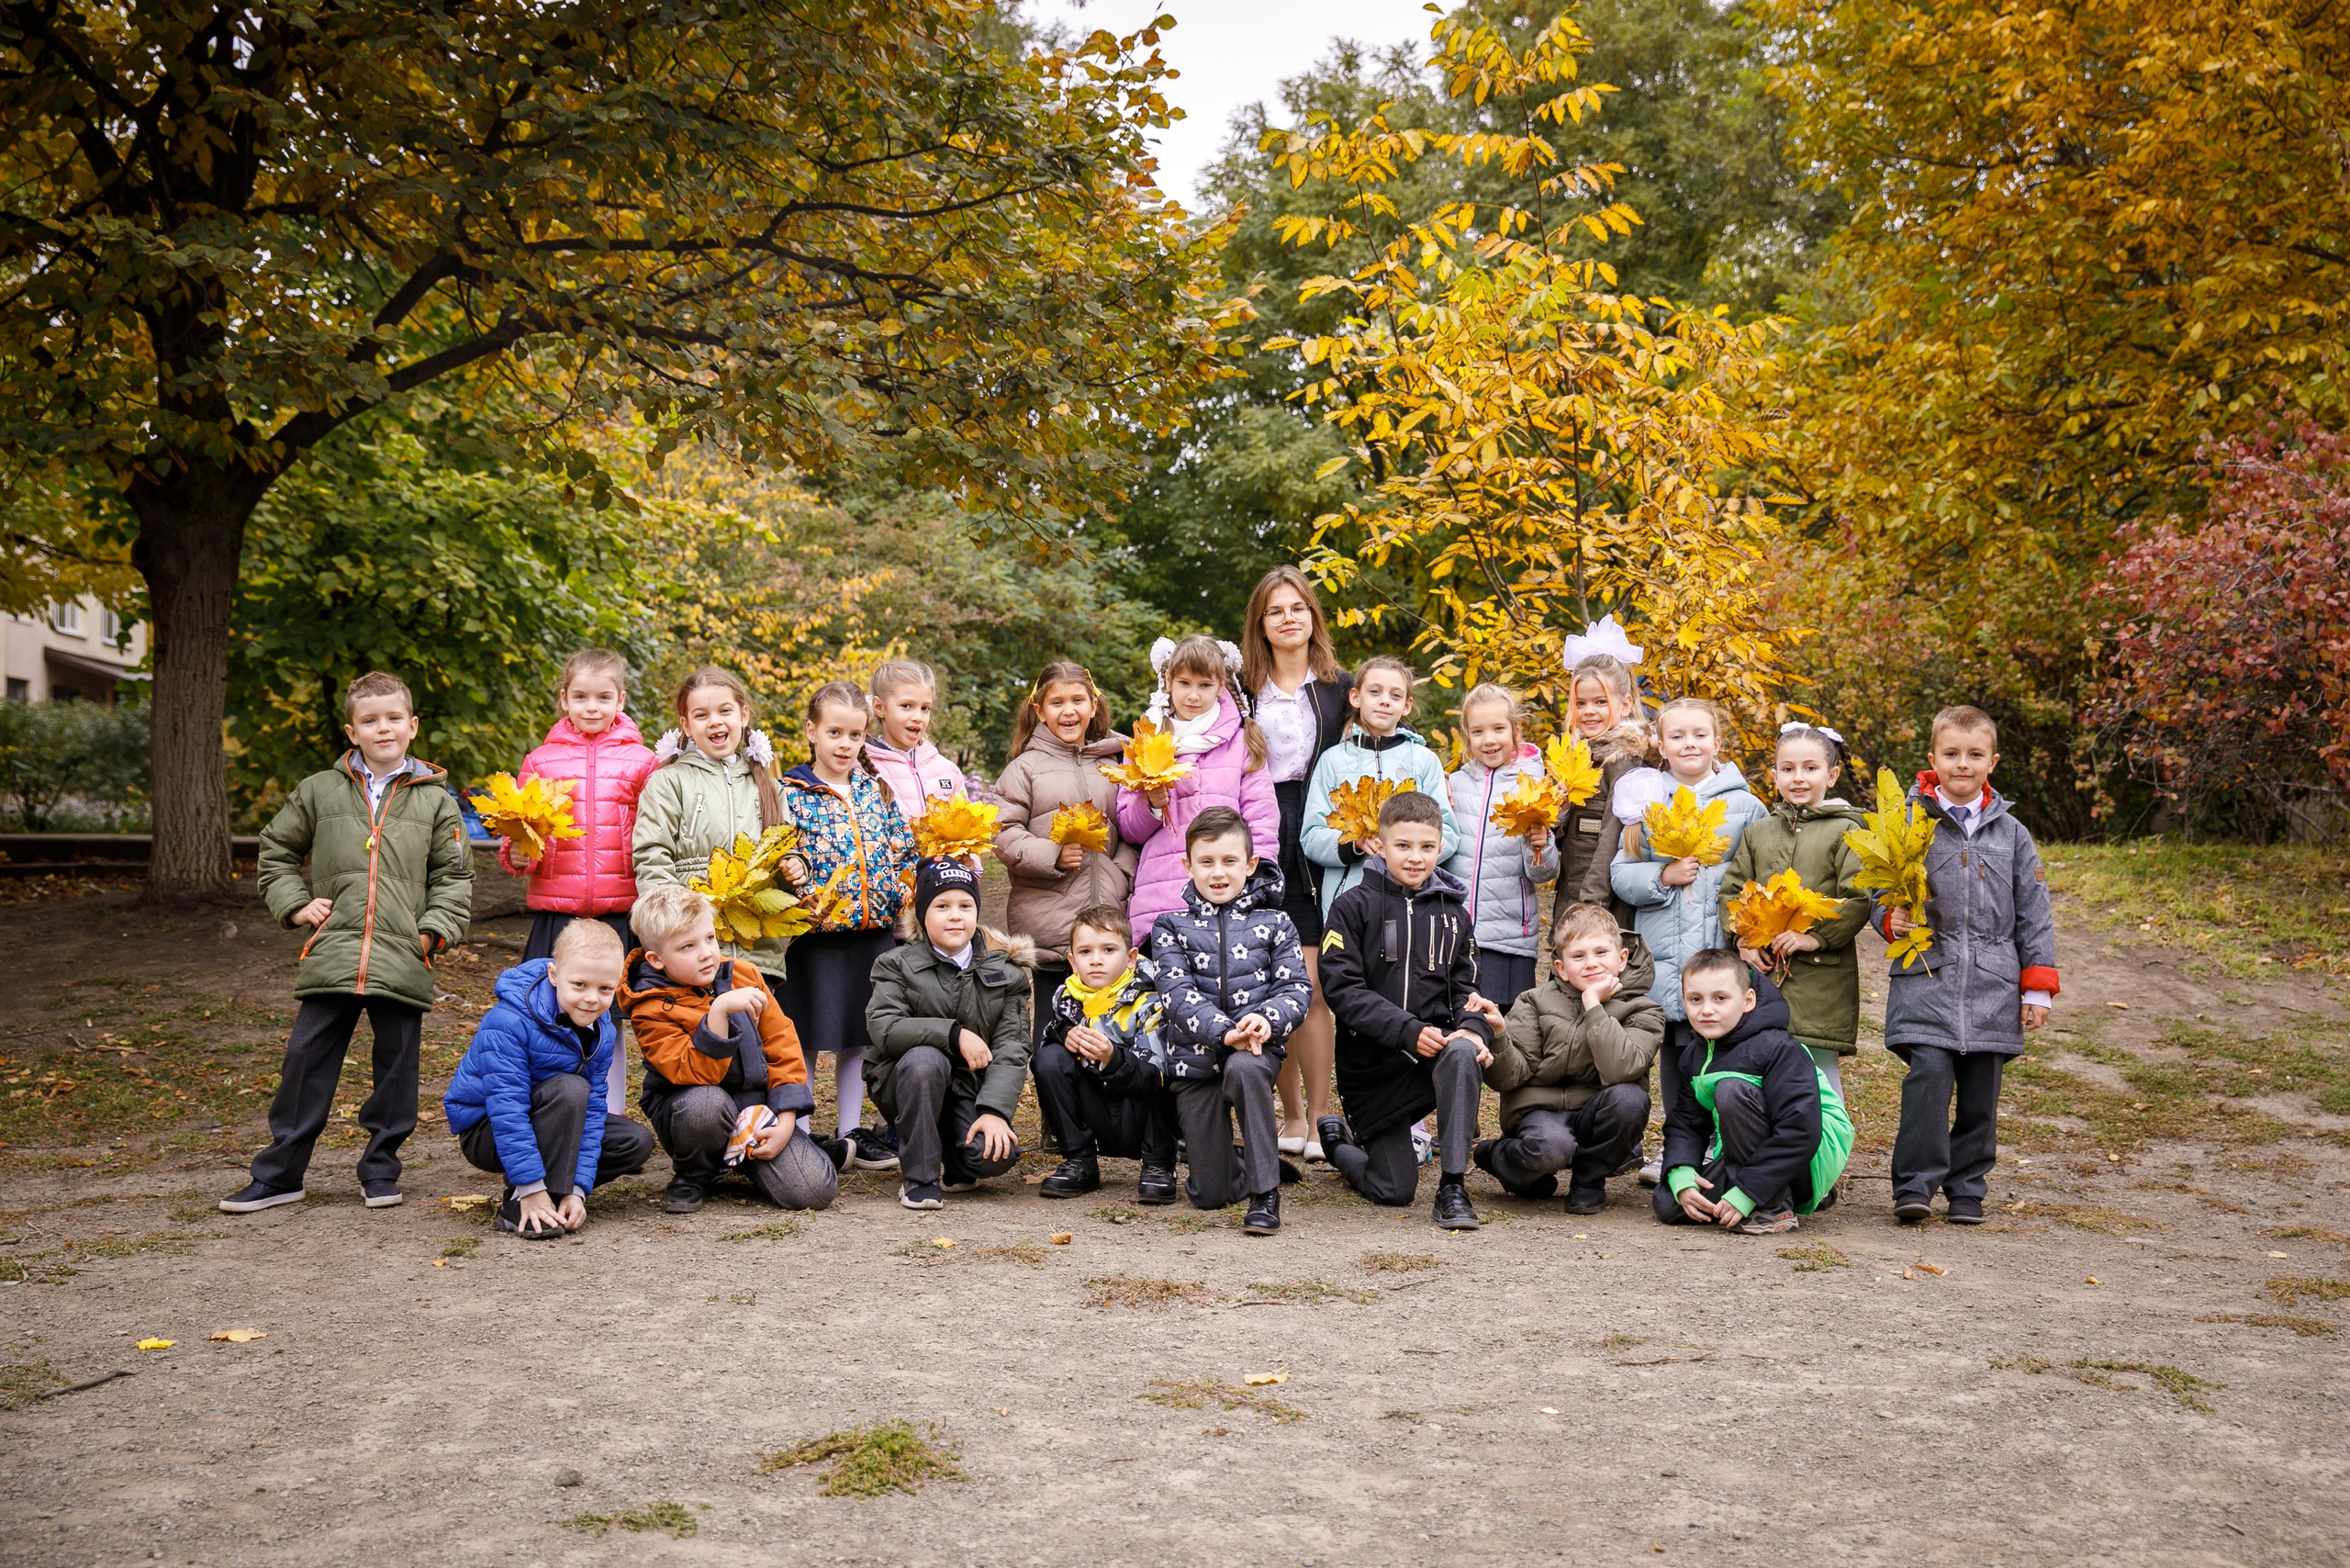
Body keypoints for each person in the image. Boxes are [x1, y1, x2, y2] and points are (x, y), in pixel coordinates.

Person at [221, 671, 473, 1214]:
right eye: (370, 720)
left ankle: (381, 1169)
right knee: (305, 1060)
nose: (383, 728)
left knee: (397, 1068)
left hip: (403, 953)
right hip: (334, 950)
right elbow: (276, 851)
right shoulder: (319, 790)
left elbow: (453, 877)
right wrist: (295, 904)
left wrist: (432, 932)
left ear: (412, 726)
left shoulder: (436, 801)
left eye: (393, 718)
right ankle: (280, 1174)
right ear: (352, 731)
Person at [1884, 705, 2059, 1226]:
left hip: (1993, 985)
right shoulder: (1907, 824)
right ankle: (1914, 1186)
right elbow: (1879, 891)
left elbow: (2034, 912)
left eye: (1975, 755)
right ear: (1933, 758)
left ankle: (1966, 1190)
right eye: (1952, 754)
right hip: (1926, 977)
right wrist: (1890, 918)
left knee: (1981, 1097)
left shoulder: (2013, 835)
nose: (1963, 764)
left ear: (1992, 761)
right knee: (1929, 1081)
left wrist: (2036, 988)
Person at [1313, 790, 1494, 1231]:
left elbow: (1467, 988)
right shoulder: (1351, 906)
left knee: (1462, 1051)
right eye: (1403, 846)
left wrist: (1473, 1028)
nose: (1416, 857)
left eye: (1427, 847)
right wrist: (1406, 1030)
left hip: (1430, 1059)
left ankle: (1453, 1186)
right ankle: (1340, 1145)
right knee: (1393, 1188)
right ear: (1380, 844)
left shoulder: (1454, 913)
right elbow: (1342, 990)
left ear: (1440, 847)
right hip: (1371, 1069)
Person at [1609, 694, 1767, 1184]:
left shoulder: (1746, 805)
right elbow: (1621, 873)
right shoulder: (1647, 804)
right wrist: (1662, 876)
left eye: (1699, 734)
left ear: (1717, 742)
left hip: (1719, 955)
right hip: (1667, 959)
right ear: (1661, 746)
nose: (1689, 743)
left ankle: (1724, 1144)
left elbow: (1762, 876)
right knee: (1677, 1057)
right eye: (1677, 736)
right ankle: (1677, 1147)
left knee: (1724, 1057)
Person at [495, 647, 659, 1114]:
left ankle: (611, 1115)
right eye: (581, 697)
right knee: (551, 1012)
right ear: (564, 699)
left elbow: (656, 829)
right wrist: (519, 855)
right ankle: (558, 1110)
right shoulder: (541, 761)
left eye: (603, 697)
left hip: (619, 910)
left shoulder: (643, 762)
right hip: (559, 913)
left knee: (612, 1016)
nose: (592, 706)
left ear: (620, 700)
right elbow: (519, 833)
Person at [621, 884, 836, 1215]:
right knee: (707, 1103)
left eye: (710, 938)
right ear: (656, 959)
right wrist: (718, 1012)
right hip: (693, 1115)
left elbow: (782, 1043)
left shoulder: (745, 974)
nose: (706, 953)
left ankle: (754, 1157)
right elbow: (696, 1074)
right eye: (688, 946)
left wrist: (785, 1120)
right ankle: (694, 1173)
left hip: (754, 1111)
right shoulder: (649, 1008)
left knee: (813, 1191)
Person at [775, 680, 920, 1173]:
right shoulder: (790, 792)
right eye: (834, 732)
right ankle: (798, 1130)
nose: (845, 744)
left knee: (861, 1035)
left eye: (855, 735)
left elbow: (903, 848)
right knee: (806, 1034)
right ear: (811, 731)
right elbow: (778, 851)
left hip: (873, 933)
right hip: (815, 936)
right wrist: (794, 880)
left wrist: (901, 893)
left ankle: (851, 1130)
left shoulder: (875, 788)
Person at [1149, 807, 1313, 1235]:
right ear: (1187, 866)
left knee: (1244, 1067)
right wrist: (1225, 1033)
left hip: (1255, 1050)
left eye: (1229, 861)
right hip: (1195, 1060)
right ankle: (1244, 1161)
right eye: (1206, 862)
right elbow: (1176, 993)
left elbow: (1296, 988)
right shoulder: (1170, 926)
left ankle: (1264, 1193)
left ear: (1250, 864)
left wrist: (1265, 1019)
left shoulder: (1276, 923)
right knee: (1209, 1193)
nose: (1218, 872)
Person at [1240, 566, 1355, 1160]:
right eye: (1275, 611)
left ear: (1313, 616)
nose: (1288, 619)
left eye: (1298, 608)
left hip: (1318, 836)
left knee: (1311, 987)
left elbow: (1389, 742)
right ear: (1260, 624)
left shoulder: (1342, 687)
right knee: (1267, 982)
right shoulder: (1240, 687)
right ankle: (1286, 1114)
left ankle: (1319, 1116)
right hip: (1257, 832)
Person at [442, 922, 655, 1238]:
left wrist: (578, 1189)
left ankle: (557, 1197)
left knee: (634, 1141)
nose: (592, 999)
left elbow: (593, 1112)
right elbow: (507, 1109)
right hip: (489, 1130)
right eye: (579, 985)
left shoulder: (603, 1030)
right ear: (554, 976)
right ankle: (524, 1200)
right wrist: (530, 1186)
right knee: (571, 1088)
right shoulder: (509, 1022)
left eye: (605, 989)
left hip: (558, 1119)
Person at [865, 858, 1034, 1210]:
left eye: (965, 906)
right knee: (926, 1060)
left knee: (993, 1156)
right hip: (907, 1083)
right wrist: (954, 1035)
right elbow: (885, 1027)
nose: (955, 916)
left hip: (968, 1089)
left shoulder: (1007, 973)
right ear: (923, 915)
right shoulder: (895, 964)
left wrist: (995, 1111)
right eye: (942, 906)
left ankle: (956, 1160)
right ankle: (920, 1179)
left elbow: (1012, 1047)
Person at [1476, 902, 1665, 1214]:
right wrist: (1498, 1036)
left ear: (1622, 959)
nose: (1591, 963)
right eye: (1578, 956)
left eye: (1601, 952)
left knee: (1630, 1099)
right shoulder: (1533, 1002)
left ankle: (1589, 1180)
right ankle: (1498, 1156)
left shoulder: (1644, 1010)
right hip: (1539, 1110)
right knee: (1551, 1149)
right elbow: (1508, 1078)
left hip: (1598, 1111)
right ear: (1561, 967)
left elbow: (1621, 1069)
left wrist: (1593, 1005)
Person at [991, 661, 1138, 1055]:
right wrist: (1052, 854)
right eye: (1057, 703)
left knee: (1110, 1029)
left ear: (1094, 705)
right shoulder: (1024, 768)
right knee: (1053, 1033)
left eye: (1077, 700)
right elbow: (1002, 832)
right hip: (1052, 925)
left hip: (1107, 919)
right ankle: (1053, 1094)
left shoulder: (1116, 764)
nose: (1068, 711)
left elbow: (1130, 829)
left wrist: (1121, 873)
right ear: (1040, 711)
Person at [1718, 722, 1871, 1097]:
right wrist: (1742, 940)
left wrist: (1815, 938)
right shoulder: (1759, 832)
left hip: (1820, 976)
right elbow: (1733, 891)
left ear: (1832, 775)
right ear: (1774, 776)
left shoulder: (1847, 831)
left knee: (1818, 1074)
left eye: (1810, 768)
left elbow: (1857, 897)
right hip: (1763, 973)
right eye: (1788, 769)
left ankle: (1826, 1134)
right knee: (1758, 1067)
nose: (1798, 778)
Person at [1654, 949, 1852, 1235]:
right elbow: (1686, 1123)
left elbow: (1800, 1131)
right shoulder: (1695, 1055)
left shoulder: (1778, 1048)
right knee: (1670, 1204)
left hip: (1807, 1160)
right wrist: (1681, 1172)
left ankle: (1774, 1207)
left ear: (1748, 1000)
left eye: (1720, 998)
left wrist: (1747, 1193)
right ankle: (1755, 1193)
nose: (1706, 1010)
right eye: (1695, 999)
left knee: (1731, 1090)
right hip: (1749, 1159)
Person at [1114, 634, 1281, 934]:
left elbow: (1261, 815)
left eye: (1205, 685)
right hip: (1161, 893)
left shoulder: (1242, 740)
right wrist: (1150, 805)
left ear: (1220, 685)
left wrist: (1259, 877)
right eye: (1184, 683)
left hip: (1226, 889)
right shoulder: (1146, 741)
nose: (1193, 695)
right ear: (1168, 681)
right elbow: (1128, 829)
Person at [1032, 903, 1178, 1204]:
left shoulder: (1151, 999)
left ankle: (1159, 1164)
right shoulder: (1067, 997)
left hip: (1140, 1113)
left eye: (1108, 950)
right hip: (1095, 1108)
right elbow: (1049, 1043)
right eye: (1085, 952)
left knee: (1162, 1074)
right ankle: (1079, 1160)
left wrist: (1113, 1058)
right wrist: (1064, 1034)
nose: (1096, 960)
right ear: (1072, 961)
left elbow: (1155, 1075)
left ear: (1131, 957)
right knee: (1048, 1059)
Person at [1300, 655, 1459, 913]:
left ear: (1406, 706)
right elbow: (1311, 836)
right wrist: (1355, 844)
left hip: (1412, 900)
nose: (1385, 700)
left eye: (1395, 695)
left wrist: (1410, 852)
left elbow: (1448, 832)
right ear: (1355, 697)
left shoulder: (1424, 760)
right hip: (1349, 899)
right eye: (1375, 692)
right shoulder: (1333, 760)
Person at [1442, 682, 1560, 1008]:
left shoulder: (1533, 787)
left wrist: (1540, 845)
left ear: (1515, 731)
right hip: (1455, 933)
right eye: (1478, 731)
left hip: (1508, 936)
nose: (1489, 740)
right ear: (1467, 737)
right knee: (1458, 1018)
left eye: (1498, 728)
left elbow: (1543, 874)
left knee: (1505, 1025)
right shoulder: (1454, 785)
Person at [1551, 638, 1655, 930]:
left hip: (1600, 905)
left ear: (1625, 705)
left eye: (1600, 702)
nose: (1589, 711)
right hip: (1572, 891)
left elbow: (1611, 841)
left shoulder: (1622, 760)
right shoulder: (1579, 756)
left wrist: (1591, 907)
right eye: (1580, 703)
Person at [863, 657, 972, 824]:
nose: (918, 717)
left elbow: (968, 829)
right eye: (906, 706)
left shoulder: (948, 771)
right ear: (879, 707)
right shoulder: (862, 769)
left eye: (925, 708)